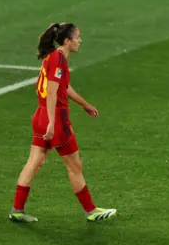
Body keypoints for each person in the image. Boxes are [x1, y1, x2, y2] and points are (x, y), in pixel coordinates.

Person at [9, 23, 117, 223]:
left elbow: (62, 87)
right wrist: (52, 122)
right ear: (67, 41)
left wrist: (84, 104)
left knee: (34, 162)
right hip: (55, 118)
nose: (80, 41)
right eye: (77, 37)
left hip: (40, 115)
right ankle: (91, 210)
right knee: (75, 165)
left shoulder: (53, 56)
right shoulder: (59, 59)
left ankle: (17, 209)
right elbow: (52, 92)